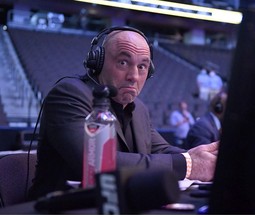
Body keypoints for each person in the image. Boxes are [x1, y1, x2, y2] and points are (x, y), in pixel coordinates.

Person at [28, 26, 218, 200]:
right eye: (123, 62)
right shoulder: (69, 94)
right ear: (98, 61)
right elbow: (97, 164)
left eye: (142, 66)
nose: (133, 76)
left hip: (114, 203)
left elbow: (161, 150)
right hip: (59, 207)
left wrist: (200, 157)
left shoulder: (139, 109)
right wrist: (190, 164)